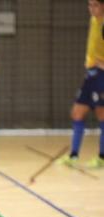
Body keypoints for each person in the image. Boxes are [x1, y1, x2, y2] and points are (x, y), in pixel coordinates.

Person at [59, 0, 104, 168]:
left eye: (95, 5)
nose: (91, 8)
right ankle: (73, 156)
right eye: (89, 5)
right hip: (91, 74)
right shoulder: (93, 20)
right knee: (77, 113)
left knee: (102, 115)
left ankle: (102, 157)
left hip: (101, 74)